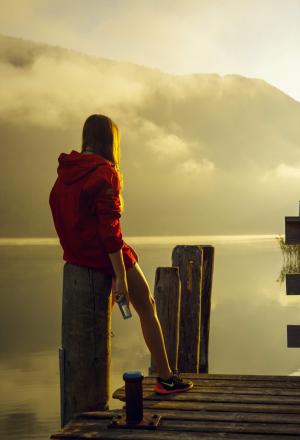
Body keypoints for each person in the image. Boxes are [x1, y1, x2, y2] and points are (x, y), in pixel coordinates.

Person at [49, 113, 193, 394]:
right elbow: (109, 230)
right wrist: (120, 277)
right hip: (106, 257)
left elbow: (62, 215)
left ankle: (88, 400)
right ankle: (165, 378)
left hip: (77, 261)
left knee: (94, 331)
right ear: (110, 140)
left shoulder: (64, 174)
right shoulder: (105, 172)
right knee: (147, 307)